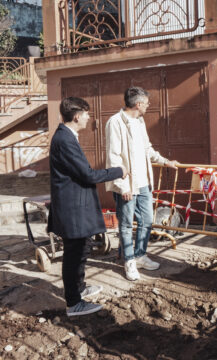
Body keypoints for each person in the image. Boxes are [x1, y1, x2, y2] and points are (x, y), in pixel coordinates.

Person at [49, 97, 127, 317]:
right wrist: (118, 171)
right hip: (71, 207)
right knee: (74, 253)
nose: (88, 118)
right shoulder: (64, 139)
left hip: (76, 205)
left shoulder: (67, 136)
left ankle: (80, 287)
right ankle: (74, 303)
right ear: (77, 116)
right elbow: (88, 174)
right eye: (86, 114)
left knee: (83, 247)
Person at [105, 86, 179, 281]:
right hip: (127, 185)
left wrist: (165, 161)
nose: (148, 106)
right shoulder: (115, 122)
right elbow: (114, 158)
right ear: (138, 104)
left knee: (146, 221)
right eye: (146, 103)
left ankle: (140, 254)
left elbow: (147, 149)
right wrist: (122, 187)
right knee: (127, 224)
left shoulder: (139, 121)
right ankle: (129, 261)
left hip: (143, 183)